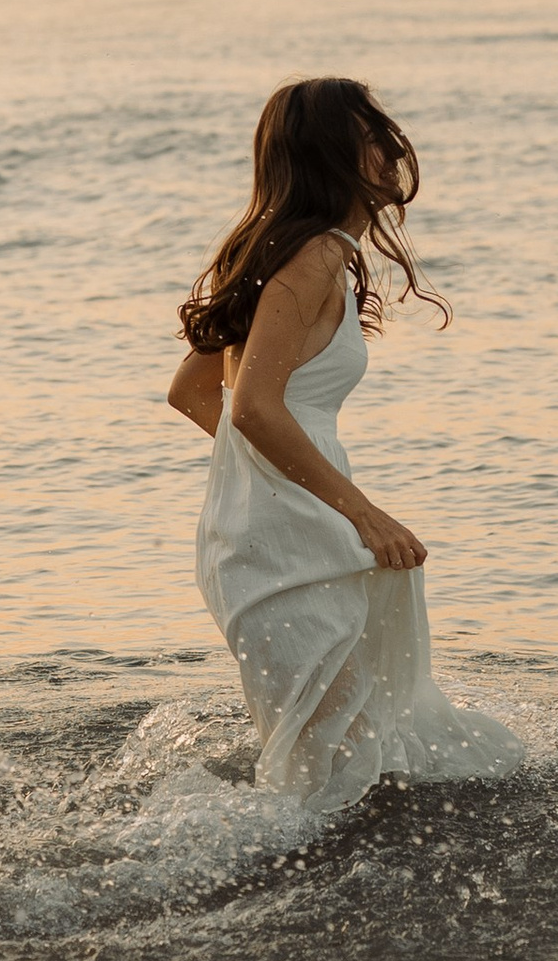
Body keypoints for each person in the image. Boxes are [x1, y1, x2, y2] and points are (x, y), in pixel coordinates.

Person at [167, 76, 519, 804]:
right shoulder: (313, 258)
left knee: (340, 761)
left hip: (278, 531)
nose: (392, 147)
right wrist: (361, 512)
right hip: (287, 544)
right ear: (331, 154)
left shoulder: (286, 253)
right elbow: (253, 410)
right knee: (315, 782)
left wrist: (271, 485)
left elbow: (193, 392)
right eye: (370, 135)